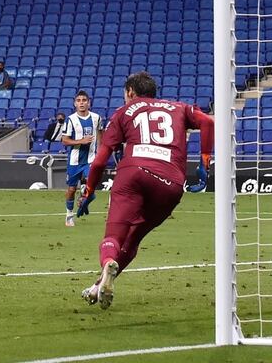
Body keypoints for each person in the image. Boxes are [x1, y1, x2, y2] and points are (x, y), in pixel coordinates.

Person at [76, 72, 214, 310]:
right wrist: (204, 163)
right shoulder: (178, 107)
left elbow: (99, 162)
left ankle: (108, 262)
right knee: (134, 238)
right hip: (170, 182)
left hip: (133, 174)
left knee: (114, 237)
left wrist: (88, 191)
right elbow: (208, 122)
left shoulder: (122, 113)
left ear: (130, 92)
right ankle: (99, 285)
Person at [60, 91, 104, 227]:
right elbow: (65, 141)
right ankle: (69, 214)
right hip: (74, 161)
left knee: (91, 184)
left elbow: (101, 133)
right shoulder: (70, 119)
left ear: (88, 103)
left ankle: (85, 196)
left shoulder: (96, 118)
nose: (81, 103)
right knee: (72, 189)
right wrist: (81, 141)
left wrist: (101, 151)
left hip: (90, 159)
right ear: (75, 104)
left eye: (84, 100)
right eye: (78, 100)